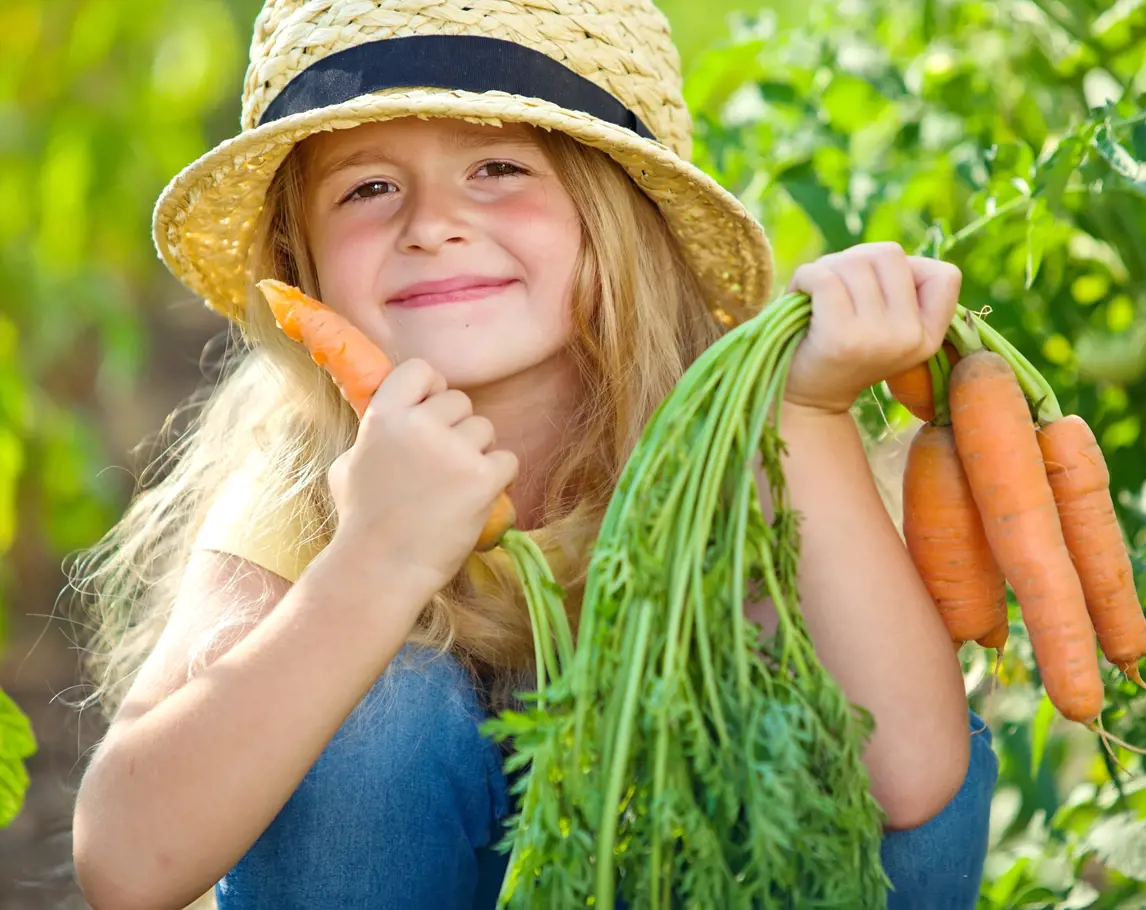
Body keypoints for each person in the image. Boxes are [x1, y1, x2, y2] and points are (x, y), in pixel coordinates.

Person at [68, 1, 998, 907]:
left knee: (833, 720)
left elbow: (909, 790)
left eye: (499, 167)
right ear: (300, 262)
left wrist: (810, 411)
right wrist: (373, 562)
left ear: (616, 218)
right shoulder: (305, 478)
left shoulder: (716, 444)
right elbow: (123, 862)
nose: (431, 223)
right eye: (370, 187)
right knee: (378, 712)